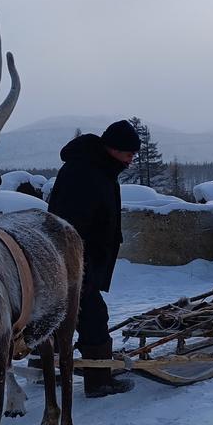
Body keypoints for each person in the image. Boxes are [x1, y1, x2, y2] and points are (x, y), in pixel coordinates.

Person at [47, 120, 141, 397]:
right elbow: (72, 225)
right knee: (92, 316)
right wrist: (80, 269)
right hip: (73, 259)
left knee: (59, 314)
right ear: (113, 148)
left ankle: (44, 366)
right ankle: (99, 380)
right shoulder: (87, 171)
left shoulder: (96, 166)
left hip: (75, 259)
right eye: (128, 153)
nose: (131, 159)